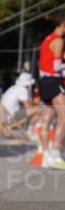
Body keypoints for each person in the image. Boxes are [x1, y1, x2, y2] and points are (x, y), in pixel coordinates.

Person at [37, 12, 65, 169]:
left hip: (44, 81)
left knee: (47, 119)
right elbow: (56, 67)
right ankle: (56, 153)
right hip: (53, 81)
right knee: (64, 116)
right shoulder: (58, 41)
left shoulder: (47, 39)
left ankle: (46, 156)